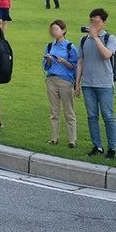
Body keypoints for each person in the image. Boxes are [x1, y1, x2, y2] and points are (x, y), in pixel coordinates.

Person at [75, 8, 116, 160]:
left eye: (97, 22)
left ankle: (112, 148)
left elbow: (107, 54)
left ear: (104, 23)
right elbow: (80, 62)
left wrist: (96, 38)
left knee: (108, 116)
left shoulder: (110, 38)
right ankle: (97, 146)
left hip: (105, 84)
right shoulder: (84, 40)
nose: (93, 24)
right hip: (88, 85)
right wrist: (77, 83)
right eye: (91, 21)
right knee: (92, 116)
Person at [42, 20, 78, 148]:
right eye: (52, 29)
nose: (54, 32)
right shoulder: (49, 46)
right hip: (51, 80)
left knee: (69, 111)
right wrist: (49, 61)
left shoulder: (70, 47)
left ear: (63, 31)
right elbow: (45, 66)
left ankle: (72, 140)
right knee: (54, 111)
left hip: (65, 82)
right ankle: (54, 138)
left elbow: (75, 66)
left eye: (56, 29)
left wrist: (64, 62)